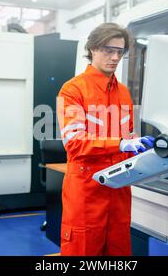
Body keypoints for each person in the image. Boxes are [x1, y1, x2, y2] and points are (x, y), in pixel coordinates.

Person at [56, 23, 155, 256]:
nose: (115, 57)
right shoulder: (72, 90)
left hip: (119, 189)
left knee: (119, 252)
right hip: (87, 191)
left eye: (120, 52)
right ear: (92, 49)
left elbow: (128, 134)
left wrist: (139, 146)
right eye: (108, 50)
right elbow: (74, 142)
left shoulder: (124, 93)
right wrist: (120, 143)